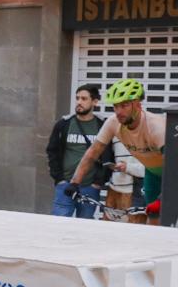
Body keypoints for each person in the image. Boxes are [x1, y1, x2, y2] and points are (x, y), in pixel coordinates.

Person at [68, 78, 165, 224]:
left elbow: (174, 168)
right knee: (154, 221)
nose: (118, 111)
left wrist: (162, 198)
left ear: (138, 105)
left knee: (168, 213)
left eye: (124, 105)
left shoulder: (156, 127)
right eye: (115, 106)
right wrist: (74, 183)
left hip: (172, 174)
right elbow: (93, 152)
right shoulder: (113, 122)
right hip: (152, 172)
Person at [47, 84, 112, 219]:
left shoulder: (102, 125)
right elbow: (52, 152)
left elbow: (109, 155)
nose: (79, 102)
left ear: (94, 101)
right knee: (58, 223)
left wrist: (98, 182)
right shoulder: (64, 124)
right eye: (77, 98)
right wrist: (59, 179)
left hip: (90, 187)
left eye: (84, 99)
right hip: (65, 185)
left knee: (85, 225)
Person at [105, 136, 145, 223]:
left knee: (133, 232)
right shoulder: (114, 131)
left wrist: (127, 167)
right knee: (108, 230)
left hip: (136, 191)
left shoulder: (147, 131)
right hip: (113, 188)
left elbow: (150, 169)